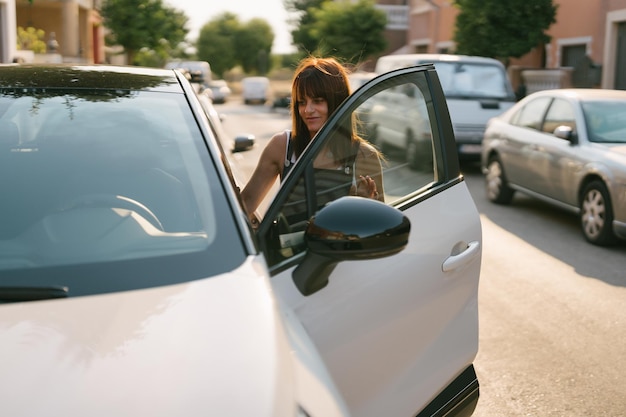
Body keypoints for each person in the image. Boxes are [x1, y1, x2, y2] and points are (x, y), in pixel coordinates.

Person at [241, 56, 384, 225]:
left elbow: (378, 230)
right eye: (302, 102)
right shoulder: (282, 147)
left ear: (338, 102)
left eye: (317, 101)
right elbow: (244, 207)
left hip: (336, 250)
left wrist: (364, 208)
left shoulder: (363, 156)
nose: (307, 110)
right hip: (287, 252)